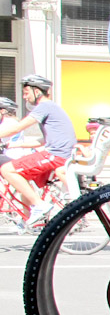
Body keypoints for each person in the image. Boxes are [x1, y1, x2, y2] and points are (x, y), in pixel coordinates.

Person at [0, 75, 76, 225]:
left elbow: (17, 128)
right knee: (23, 178)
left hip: (55, 155)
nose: (24, 97)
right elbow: (42, 141)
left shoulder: (45, 107)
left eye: (26, 93)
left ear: (37, 91)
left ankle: (40, 206)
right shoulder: (52, 108)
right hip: (59, 153)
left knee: (7, 170)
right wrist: (11, 145)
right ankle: (26, 219)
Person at [0, 97, 39, 167]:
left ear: (2, 111)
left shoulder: (8, 122)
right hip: (10, 155)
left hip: (13, 156)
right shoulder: (9, 121)